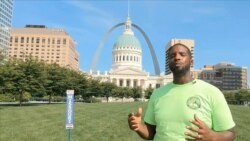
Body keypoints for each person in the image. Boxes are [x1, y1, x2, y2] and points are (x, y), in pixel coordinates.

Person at [128, 43, 235, 141]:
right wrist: (138, 127)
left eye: (182, 54)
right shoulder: (157, 94)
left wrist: (213, 136)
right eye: (172, 56)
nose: (177, 58)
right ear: (168, 62)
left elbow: (230, 134)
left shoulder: (212, 92)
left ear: (191, 61)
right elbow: (150, 133)